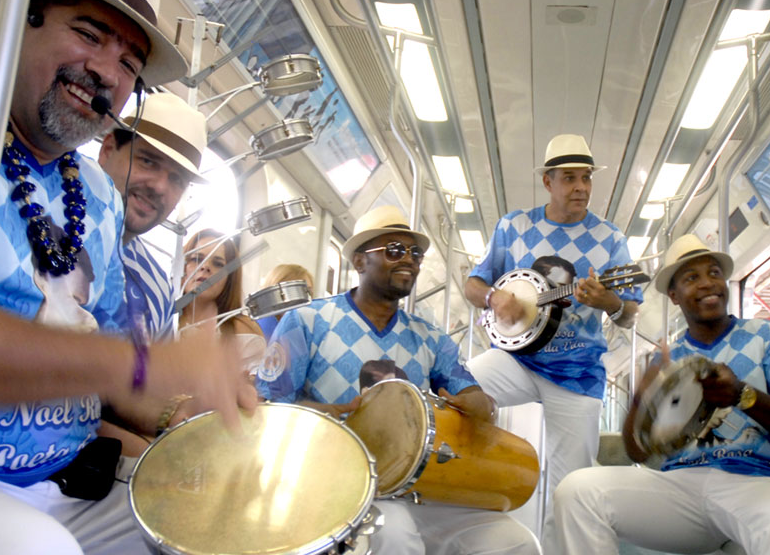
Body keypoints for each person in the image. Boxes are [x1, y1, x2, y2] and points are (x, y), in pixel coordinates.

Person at [0, 0, 256, 553]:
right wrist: (147, 366)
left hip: (73, 474)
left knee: (228, 528)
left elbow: (118, 371)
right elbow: (122, 362)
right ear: (15, 22)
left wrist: (185, 407)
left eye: (128, 63)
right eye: (87, 34)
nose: (106, 71)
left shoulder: (97, 195)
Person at [254, 205, 539, 555]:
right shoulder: (307, 322)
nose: (409, 260)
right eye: (393, 250)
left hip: (413, 484)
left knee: (514, 542)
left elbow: (474, 396)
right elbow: (267, 404)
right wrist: (319, 415)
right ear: (359, 262)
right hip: (330, 481)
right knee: (395, 532)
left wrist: (481, 405)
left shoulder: (431, 338)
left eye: (415, 253)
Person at [554, 234, 770, 555]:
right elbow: (637, 453)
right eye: (692, 278)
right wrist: (640, 398)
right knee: (576, 491)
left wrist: (742, 395)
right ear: (674, 296)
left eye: (714, 273)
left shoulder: (769, 337)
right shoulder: (667, 358)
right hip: (681, 487)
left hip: (757, 481)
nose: (708, 284)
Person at [463, 133, 642, 550]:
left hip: (577, 373)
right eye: (569, 178)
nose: (581, 187)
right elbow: (473, 283)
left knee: (570, 488)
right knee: (453, 395)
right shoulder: (515, 226)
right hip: (515, 360)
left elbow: (630, 314)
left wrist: (610, 301)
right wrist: (494, 297)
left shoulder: (611, 239)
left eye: (586, 178)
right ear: (548, 182)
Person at [94, 91, 208, 342]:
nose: (159, 187)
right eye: (147, 161)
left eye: (176, 179)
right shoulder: (41, 219)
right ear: (108, 150)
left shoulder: (157, 291)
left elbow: (153, 380)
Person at [179, 229, 266, 372]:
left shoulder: (244, 333)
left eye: (218, 264)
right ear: (181, 267)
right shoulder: (158, 320)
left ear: (230, 277)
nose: (205, 267)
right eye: (196, 259)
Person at [256, 262, 315, 338]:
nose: (301, 299)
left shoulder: (309, 326)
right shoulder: (261, 328)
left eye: (308, 291)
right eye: (291, 291)